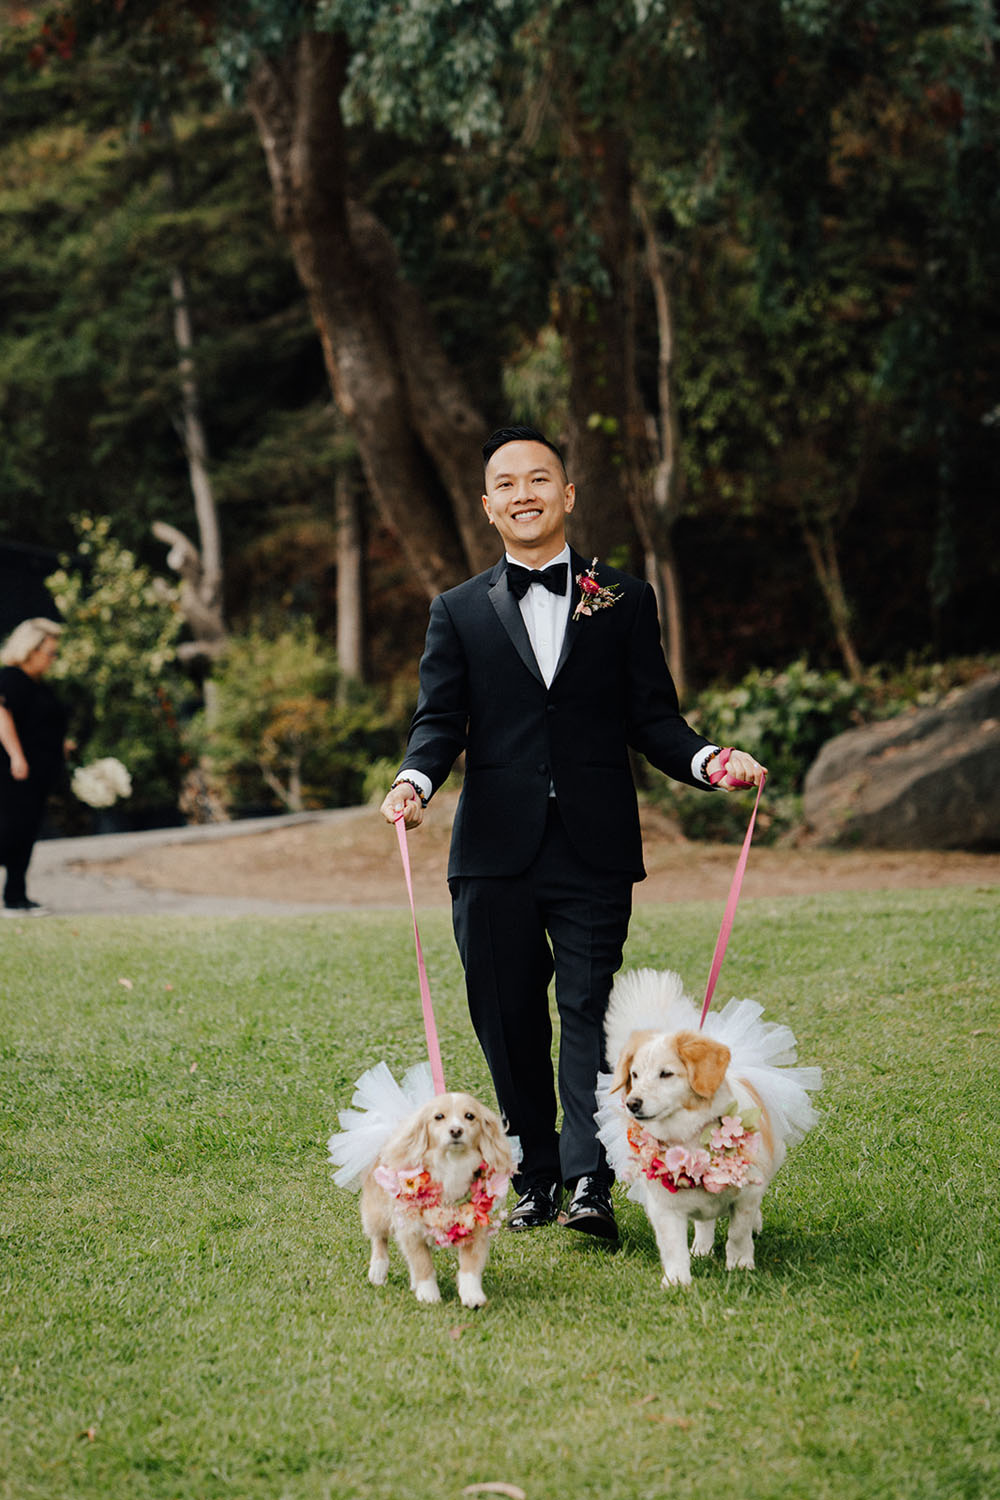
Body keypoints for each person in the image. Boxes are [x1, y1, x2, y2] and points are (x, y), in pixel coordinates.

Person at [379, 426, 765, 1243]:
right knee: (507, 1015)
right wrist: (414, 783)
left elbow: (653, 718)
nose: (525, 493)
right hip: (491, 852)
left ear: (568, 494)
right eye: (507, 484)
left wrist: (710, 760)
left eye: (540, 479)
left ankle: (591, 1180)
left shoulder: (622, 599)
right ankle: (535, 1175)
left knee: (589, 1014)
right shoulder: (456, 611)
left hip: (592, 847)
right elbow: (439, 720)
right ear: (488, 506)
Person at [0, 618, 68, 916]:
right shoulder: (11, 678)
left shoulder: (37, 685)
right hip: (15, 773)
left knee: (25, 833)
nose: (52, 660)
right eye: (50, 653)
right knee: (11, 831)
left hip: (37, 773)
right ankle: (14, 897)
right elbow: (2, 714)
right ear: (31, 649)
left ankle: (16, 895)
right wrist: (17, 756)